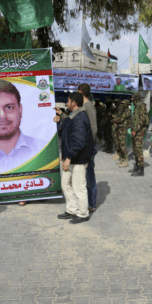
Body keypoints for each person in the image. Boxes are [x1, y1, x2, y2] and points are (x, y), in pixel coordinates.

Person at [54, 92, 94, 224]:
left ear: (74, 103)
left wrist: (68, 158)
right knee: (65, 184)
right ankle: (72, 209)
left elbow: (78, 142)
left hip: (78, 159)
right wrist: (61, 118)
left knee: (79, 187)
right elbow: (67, 129)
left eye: (68, 101)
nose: (66, 103)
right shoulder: (74, 116)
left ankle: (83, 213)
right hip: (71, 157)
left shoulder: (80, 118)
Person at [78, 84, 98, 212]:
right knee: (85, 176)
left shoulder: (88, 106)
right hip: (85, 147)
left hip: (88, 147)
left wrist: (88, 145)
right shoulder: (84, 106)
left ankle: (92, 204)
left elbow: (93, 129)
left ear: (81, 92)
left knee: (89, 176)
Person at [130, 93, 148, 177]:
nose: (132, 101)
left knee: (138, 150)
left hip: (139, 132)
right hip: (135, 131)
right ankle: (137, 166)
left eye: (133, 99)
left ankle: (141, 169)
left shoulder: (142, 106)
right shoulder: (137, 106)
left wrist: (135, 129)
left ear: (137, 98)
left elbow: (142, 119)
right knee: (135, 150)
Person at [113, 99, 131, 168]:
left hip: (123, 130)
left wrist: (114, 120)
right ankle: (122, 159)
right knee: (120, 145)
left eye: (123, 104)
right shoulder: (123, 110)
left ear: (126, 104)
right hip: (120, 128)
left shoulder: (127, 111)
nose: (121, 105)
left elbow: (121, 119)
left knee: (122, 146)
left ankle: (126, 161)